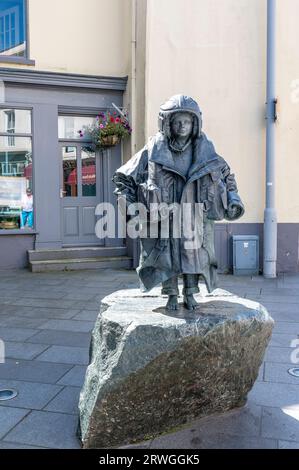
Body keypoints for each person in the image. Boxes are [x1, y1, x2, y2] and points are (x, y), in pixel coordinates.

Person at [113, 95, 244, 310]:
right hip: (164, 215)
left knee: (193, 256)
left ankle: (190, 294)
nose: (183, 126)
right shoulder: (153, 150)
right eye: (177, 121)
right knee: (166, 256)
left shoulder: (206, 152)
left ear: (195, 124)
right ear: (168, 123)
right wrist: (129, 205)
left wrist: (233, 200)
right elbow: (124, 177)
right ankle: (171, 295)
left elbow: (227, 176)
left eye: (187, 121)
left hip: (195, 214)